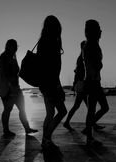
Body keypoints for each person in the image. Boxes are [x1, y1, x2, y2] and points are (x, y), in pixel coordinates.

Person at [37, 15, 67, 149]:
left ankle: (46, 140)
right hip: (51, 83)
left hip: (45, 83)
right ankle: (46, 138)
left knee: (50, 113)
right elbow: (53, 68)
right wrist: (57, 85)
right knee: (61, 111)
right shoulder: (52, 42)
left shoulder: (43, 41)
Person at [63, 41, 107, 132]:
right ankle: (89, 126)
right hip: (84, 86)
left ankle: (90, 125)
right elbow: (79, 72)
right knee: (85, 107)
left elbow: (77, 72)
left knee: (83, 106)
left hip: (83, 85)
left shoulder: (81, 58)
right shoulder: (82, 59)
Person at [0, 39, 38, 137]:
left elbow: (17, 71)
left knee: (22, 108)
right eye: (13, 46)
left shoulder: (13, 56)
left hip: (17, 88)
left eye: (16, 46)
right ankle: (6, 130)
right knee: (7, 109)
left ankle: (27, 128)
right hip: (8, 89)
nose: (15, 48)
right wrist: (10, 87)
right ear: (8, 46)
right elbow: (4, 73)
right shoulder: (3, 56)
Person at [82, 20, 109, 145]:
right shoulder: (91, 45)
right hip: (92, 81)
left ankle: (88, 132)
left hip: (92, 81)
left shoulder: (90, 44)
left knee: (95, 109)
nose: (101, 31)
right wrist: (100, 65)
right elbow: (94, 64)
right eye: (99, 28)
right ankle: (88, 135)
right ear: (94, 31)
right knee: (100, 108)